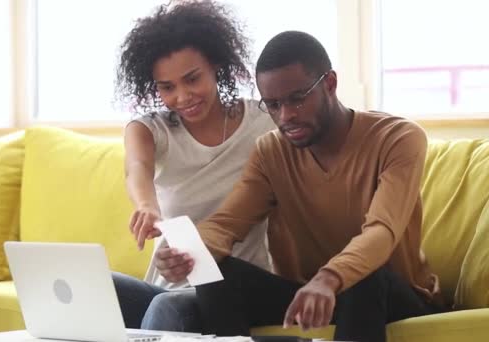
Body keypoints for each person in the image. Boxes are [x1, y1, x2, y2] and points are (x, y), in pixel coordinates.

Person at [151, 31, 445, 342]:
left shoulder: (397, 138)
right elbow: (226, 225)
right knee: (218, 272)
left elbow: (381, 231)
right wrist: (186, 252)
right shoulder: (271, 152)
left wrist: (330, 277)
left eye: (298, 99)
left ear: (330, 84)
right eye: (273, 105)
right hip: (314, 294)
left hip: (392, 295)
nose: (285, 115)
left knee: (367, 278)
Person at [113, 0, 275, 333]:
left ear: (216, 63)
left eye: (192, 79)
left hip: (232, 290)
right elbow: (137, 167)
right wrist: (146, 206)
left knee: (165, 307)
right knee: (100, 288)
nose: (183, 96)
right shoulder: (150, 130)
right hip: (168, 284)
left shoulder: (263, 122)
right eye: (167, 87)